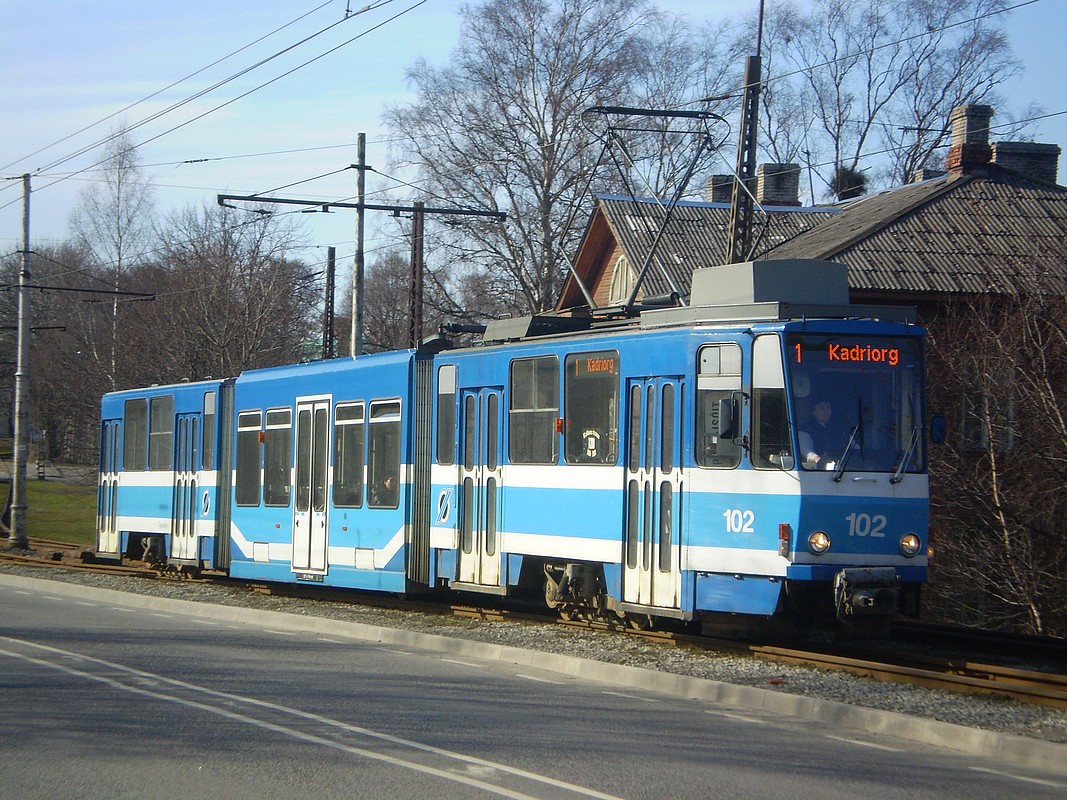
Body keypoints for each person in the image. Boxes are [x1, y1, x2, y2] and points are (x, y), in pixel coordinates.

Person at [800, 397, 843, 469]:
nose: (826, 410)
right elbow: (808, 453)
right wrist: (824, 463)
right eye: (821, 407)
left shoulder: (838, 429)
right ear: (813, 412)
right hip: (819, 472)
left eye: (828, 407)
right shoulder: (804, 430)